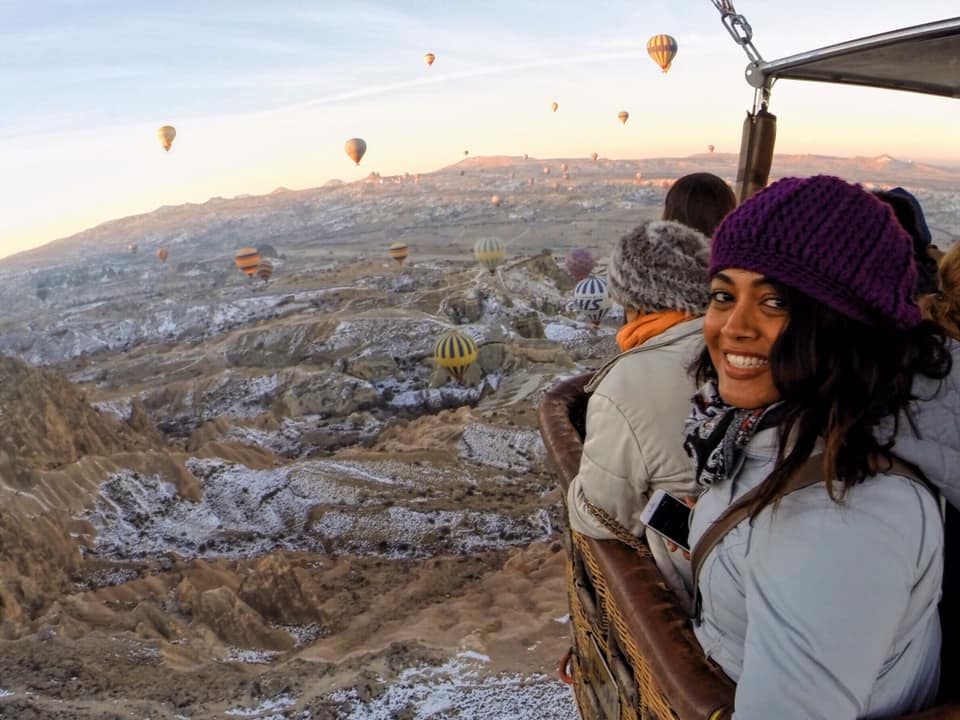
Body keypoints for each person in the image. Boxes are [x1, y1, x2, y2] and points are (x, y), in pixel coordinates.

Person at [685, 174, 951, 718]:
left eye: (776, 301)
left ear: (845, 322)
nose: (733, 327)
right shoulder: (791, 423)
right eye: (722, 295)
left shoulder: (841, 519)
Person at [566, 172, 736, 609]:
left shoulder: (626, 383)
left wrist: (571, 488)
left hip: (703, 594)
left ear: (631, 299)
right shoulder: (742, 342)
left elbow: (601, 516)